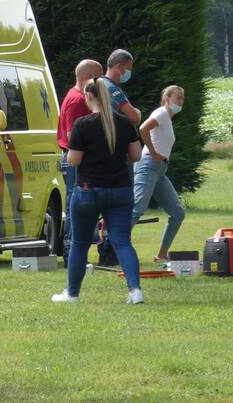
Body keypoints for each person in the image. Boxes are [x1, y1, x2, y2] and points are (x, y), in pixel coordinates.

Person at [52, 78, 144, 304]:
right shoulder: (124, 123)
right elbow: (136, 156)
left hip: (88, 191)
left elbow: (73, 160)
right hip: (120, 190)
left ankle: (72, 293)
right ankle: (135, 291)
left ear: (89, 97)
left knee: (80, 244)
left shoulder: (82, 124)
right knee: (122, 241)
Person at [132, 85, 187, 262]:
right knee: (138, 207)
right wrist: (153, 152)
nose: (181, 102)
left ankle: (162, 255)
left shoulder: (167, 119)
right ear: (167, 98)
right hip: (149, 164)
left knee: (177, 213)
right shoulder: (162, 113)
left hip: (159, 169)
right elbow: (143, 128)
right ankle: (112, 247)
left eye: (182, 99)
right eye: (177, 98)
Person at [56, 58, 104, 260]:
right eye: (98, 77)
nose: (100, 82)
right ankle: (70, 254)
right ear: (88, 77)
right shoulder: (77, 100)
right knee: (74, 206)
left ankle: (74, 253)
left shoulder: (78, 97)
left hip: (78, 158)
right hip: (76, 159)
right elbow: (71, 135)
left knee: (78, 205)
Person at [100, 48, 142, 125]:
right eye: (128, 69)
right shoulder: (112, 88)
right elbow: (134, 117)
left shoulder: (99, 83)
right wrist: (138, 112)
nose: (129, 72)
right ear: (119, 66)